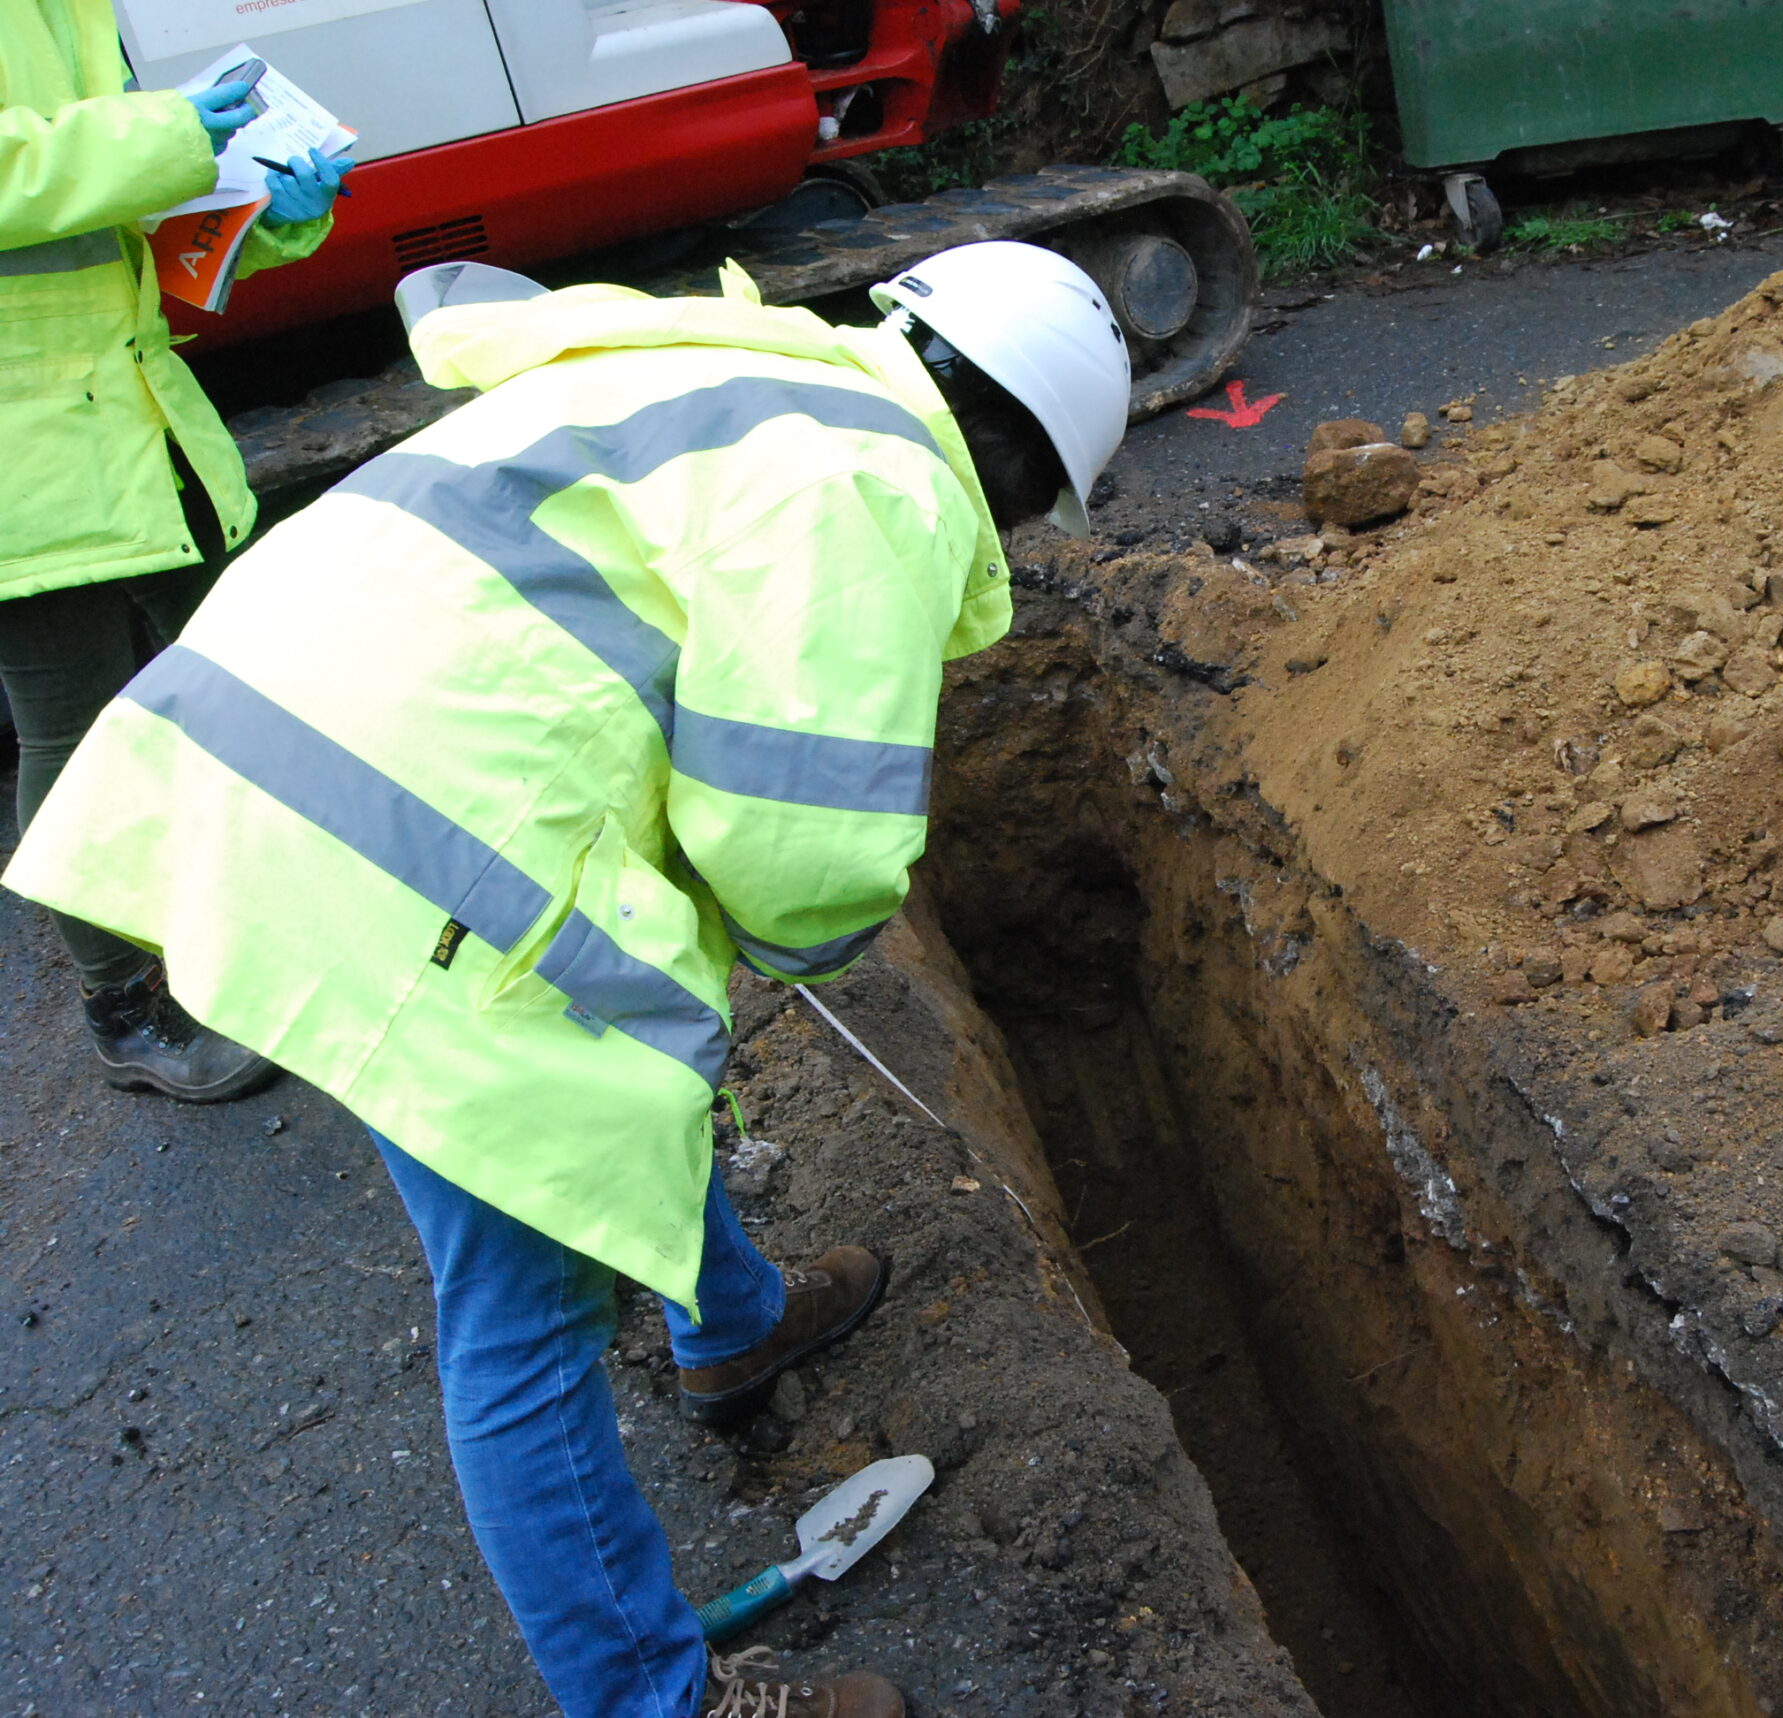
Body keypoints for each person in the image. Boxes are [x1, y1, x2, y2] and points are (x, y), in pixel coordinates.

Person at [7, 239, 1127, 1717]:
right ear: (1013, 446)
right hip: (402, 843)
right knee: (524, 1306)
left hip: (286, 747)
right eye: (1040, 504)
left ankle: (730, 1329)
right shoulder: (881, 487)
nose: (1022, 534)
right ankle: (653, 1697)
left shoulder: (745, 368)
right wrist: (809, 937)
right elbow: (798, 844)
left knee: (611, 1066)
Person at [2, 3, 346, 1101]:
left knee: (259, 671)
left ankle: (294, 935)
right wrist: (169, 136)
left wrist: (264, 205)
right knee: (76, 729)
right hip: (29, 461)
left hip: (134, 419)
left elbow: (105, 225)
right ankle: (126, 1007)